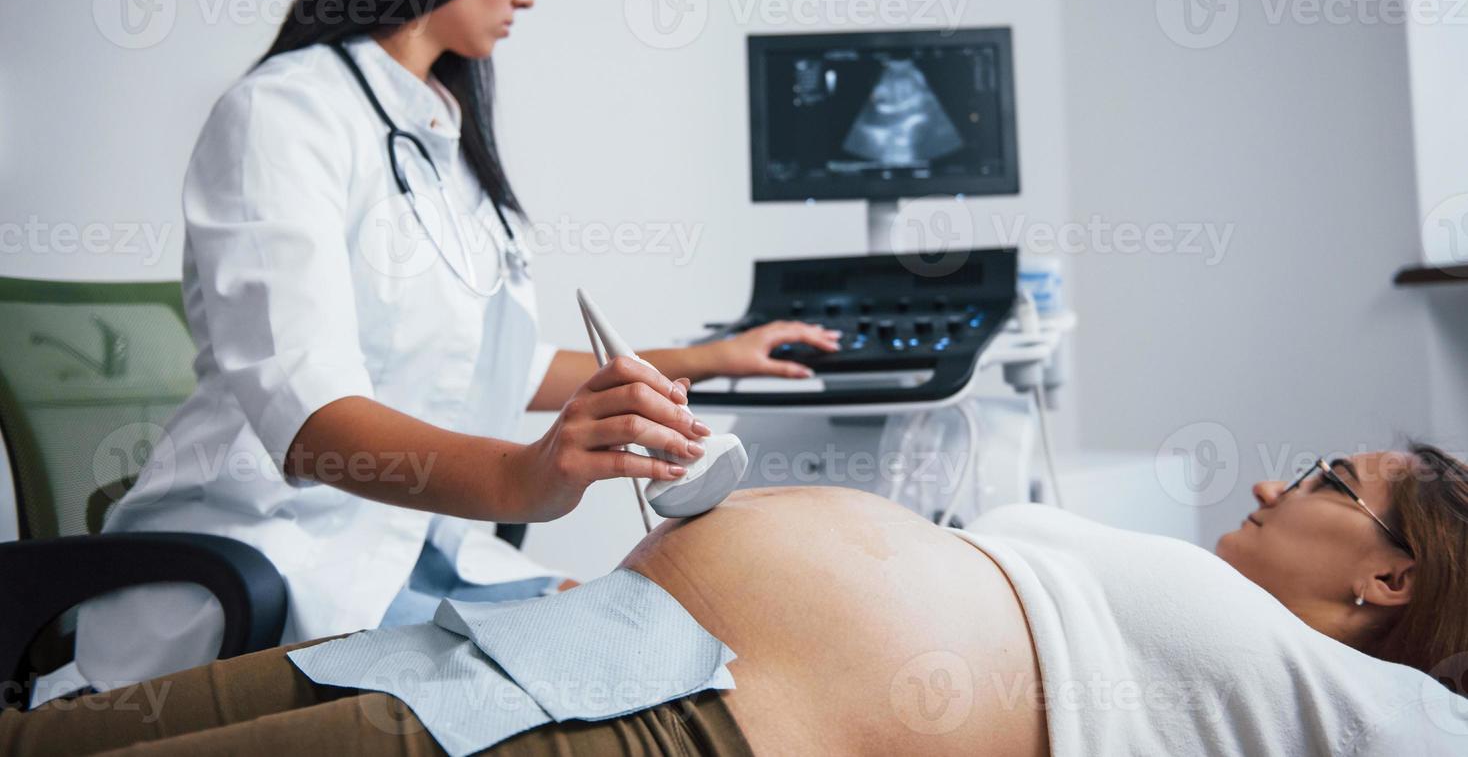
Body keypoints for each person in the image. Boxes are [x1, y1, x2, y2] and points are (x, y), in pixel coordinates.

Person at [66, 0, 840, 694]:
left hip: (418, 554)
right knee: (634, 686)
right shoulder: (283, 117)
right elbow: (313, 421)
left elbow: (488, 370)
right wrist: (524, 477)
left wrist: (712, 359)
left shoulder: (440, 138)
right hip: (271, 564)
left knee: (693, 646)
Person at [13, 444, 1466, 755]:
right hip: (570, 636)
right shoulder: (1224, 625)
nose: (1277, 484)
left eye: (1331, 481)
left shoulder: (1362, 709)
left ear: (1391, 574)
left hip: (670, 726)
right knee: (56, 738)